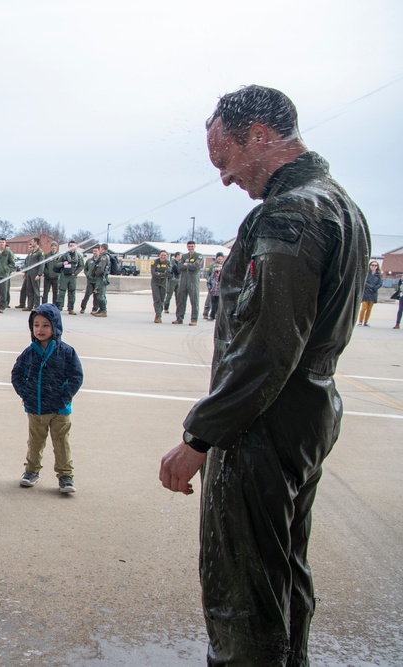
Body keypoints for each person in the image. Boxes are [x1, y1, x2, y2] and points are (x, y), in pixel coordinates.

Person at [159, 84, 370, 666]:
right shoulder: (338, 203)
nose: (224, 179)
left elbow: (268, 348)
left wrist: (201, 435)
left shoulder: (290, 214)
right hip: (305, 413)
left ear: (259, 135)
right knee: (283, 572)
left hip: (262, 426)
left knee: (243, 592)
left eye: (224, 161)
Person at [11, 303, 84, 493]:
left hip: (60, 409)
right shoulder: (29, 352)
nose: (40, 329)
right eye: (36, 325)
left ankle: (66, 476)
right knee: (35, 442)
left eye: (45, 325)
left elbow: (76, 376)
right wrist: (25, 393)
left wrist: (64, 396)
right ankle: (31, 471)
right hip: (35, 409)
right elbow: (17, 373)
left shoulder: (67, 351)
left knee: (61, 443)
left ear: (55, 327)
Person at [173, 241, 202, 326]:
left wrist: (187, 264)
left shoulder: (198, 256)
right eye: (189, 246)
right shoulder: (184, 256)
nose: (190, 248)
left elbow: (196, 266)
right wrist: (189, 265)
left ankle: (194, 319)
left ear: (194, 246)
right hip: (183, 280)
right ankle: (179, 318)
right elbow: (180, 267)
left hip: (193, 281)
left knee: (194, 300)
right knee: (181, 300)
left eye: (192, 246)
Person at [56, 241, 85, 314]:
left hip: (73, 277)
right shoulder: (64, 256)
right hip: (64, 276)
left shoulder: (79, 256)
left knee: (72, 292)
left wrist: (75, 273)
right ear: (68, 247)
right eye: (70, 245)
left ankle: (71, 308)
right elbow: (57, 265)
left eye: (73, 245)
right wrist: (63, 263)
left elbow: (81, 266)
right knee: (61, 292)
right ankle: (59, 307)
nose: (72, 247)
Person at [18, 237, 44, 310]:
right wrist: (25, 272)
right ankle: (29, 306)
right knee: (29, 290)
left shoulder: (40, 252)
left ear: (36, 242)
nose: (31, 243)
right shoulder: (30, 252)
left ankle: (37, 306)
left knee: (36, 290)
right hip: (29, 274)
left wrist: (39, 274)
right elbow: (27, 263)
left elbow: (42, 264)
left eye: (32, 241)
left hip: (35, 274)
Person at [202, 252, 226, 320]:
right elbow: (206, 273)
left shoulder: (225, 265)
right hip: (212, 287)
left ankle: (217, 314)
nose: (220, 258)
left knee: (219, 302)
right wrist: (210, 280)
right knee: (209, 301)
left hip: (220, 288)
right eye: (219, 257)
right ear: (216, 258)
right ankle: (205, 313)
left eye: (221, 257)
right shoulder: (211, 265)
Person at [358, 261, 382, 326]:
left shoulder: (378, 275)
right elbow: (364, 282)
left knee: (369, 309)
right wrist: (370, 287)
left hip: (373, 293)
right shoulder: (366, 273)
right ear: (370, 266)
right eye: (372, 265)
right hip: (366, 293)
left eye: (375, 265)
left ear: (377, 267)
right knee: (364, 308)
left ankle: (365, 322)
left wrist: (375, 288)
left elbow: (380, 283)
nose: (374, 266)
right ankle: (360, 321)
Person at [150, 250, 172, 323]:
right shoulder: (154, 262)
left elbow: (168, 273)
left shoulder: (168, 263)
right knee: (157, 299)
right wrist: (161, 274)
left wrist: (160, 274)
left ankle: (159, 314)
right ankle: (158, 315)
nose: (163, 257)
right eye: (162, 255)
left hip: (163, 283)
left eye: (164, 255)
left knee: (162, 300)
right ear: (159, 255)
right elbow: (153, 272)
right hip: (155, 283)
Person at [92, 243, 112, 317]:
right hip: (101, 278)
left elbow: (101, 269)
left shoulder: (103, 257)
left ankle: (103, 310)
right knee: (100, 294)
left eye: (100, 248)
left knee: (100, 295)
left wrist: (96, 273)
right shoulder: (105, 256)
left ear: (102, 248)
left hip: (101, 278)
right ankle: (101, 309)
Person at [79, 246, 101, 314]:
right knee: (87, 295)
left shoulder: (101, 261)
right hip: (90, 281)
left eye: (96, 251)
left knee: (96, 296)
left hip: (97, 282)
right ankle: (83, 307)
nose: (94, 252)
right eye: (93, 251)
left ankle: (94, 309)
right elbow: (85, 269)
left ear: (99, 251)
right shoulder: (89, 260)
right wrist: (87, 275)